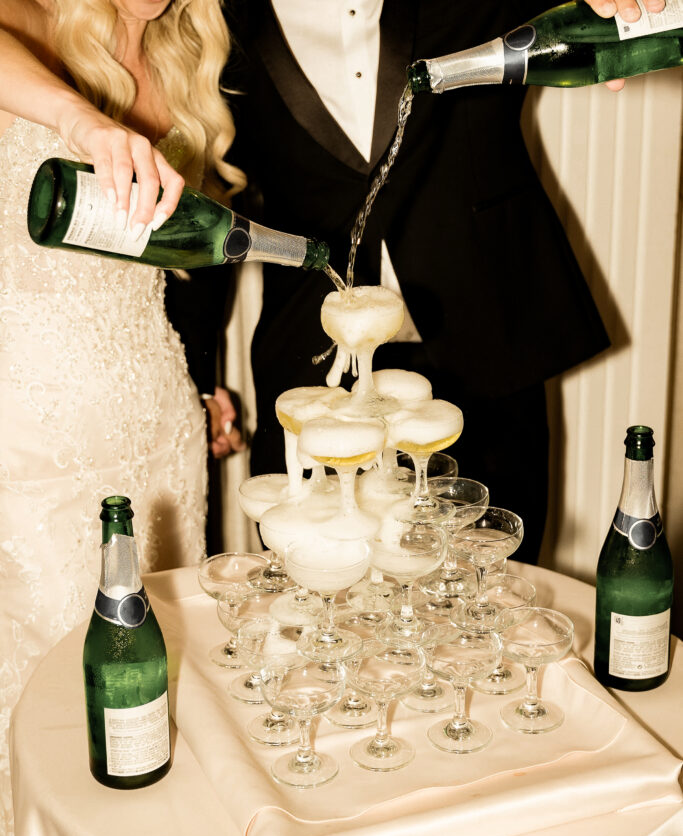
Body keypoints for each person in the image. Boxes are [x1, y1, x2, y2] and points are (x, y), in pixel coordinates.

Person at [194, 0, 665, 567]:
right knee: (316, 604)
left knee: (490, 600)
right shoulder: (213, 19)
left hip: (484, 355)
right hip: (313, 372)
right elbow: (205, 200)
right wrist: (195, 375)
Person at [0, 0, 243, 836]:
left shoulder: (185, 56)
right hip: (34, 461)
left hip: (162, 453)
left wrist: (200, 388)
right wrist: (79, 119)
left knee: (158, 729)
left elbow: (143, 288)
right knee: (50, 735)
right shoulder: (24, 20)